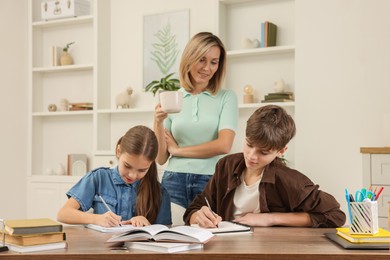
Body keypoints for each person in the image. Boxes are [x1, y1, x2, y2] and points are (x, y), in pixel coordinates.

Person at [184, 105, 346, 228]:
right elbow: (193, 210)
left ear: (281, 151)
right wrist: (198, 216)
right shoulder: (226, 165)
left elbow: (335, 216)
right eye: (249, 144)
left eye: (264, 152)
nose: (252, 156)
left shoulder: (290, 180)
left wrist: (270, 218)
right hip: (226, 249)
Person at [153, 32, 238, 209]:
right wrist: (158, 123)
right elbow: (161, 158)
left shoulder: (226, 97)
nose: (207, 68)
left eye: (214, 62)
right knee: (169, 233)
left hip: (210, 180)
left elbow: (224, 145)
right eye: (202, 60)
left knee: (208, 234)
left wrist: (178, 150)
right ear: (189, 59)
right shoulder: (172, 98)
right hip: (173, 179)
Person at [57, 125, 172, 227]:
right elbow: (63, 214)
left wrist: (147, 225)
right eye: (127, 166)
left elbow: (163, 234)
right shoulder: (99, 178)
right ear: (118, 151)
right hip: (102, 248)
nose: (132, 175)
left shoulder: (159, 192)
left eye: (142, 170)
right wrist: (97, 219)